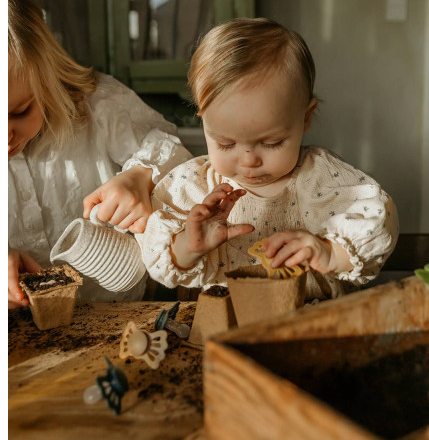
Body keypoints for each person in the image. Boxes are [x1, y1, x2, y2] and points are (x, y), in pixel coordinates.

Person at [137, 18, 399, 300]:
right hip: (222, 328)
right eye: (225, 143)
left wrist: (329, 251)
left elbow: (380, 224)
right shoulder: (194, 185)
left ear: (305, 117)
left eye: (271, 143)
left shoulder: (320, 177)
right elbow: (158, 261)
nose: (249, 160)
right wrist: (189, 245)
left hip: (310, 324)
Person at [8, 0, 192, 308]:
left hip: (117, 317)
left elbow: (172, 152)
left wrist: (140, 177)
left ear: (46, 74)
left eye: (20, 111)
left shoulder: (98, 105)